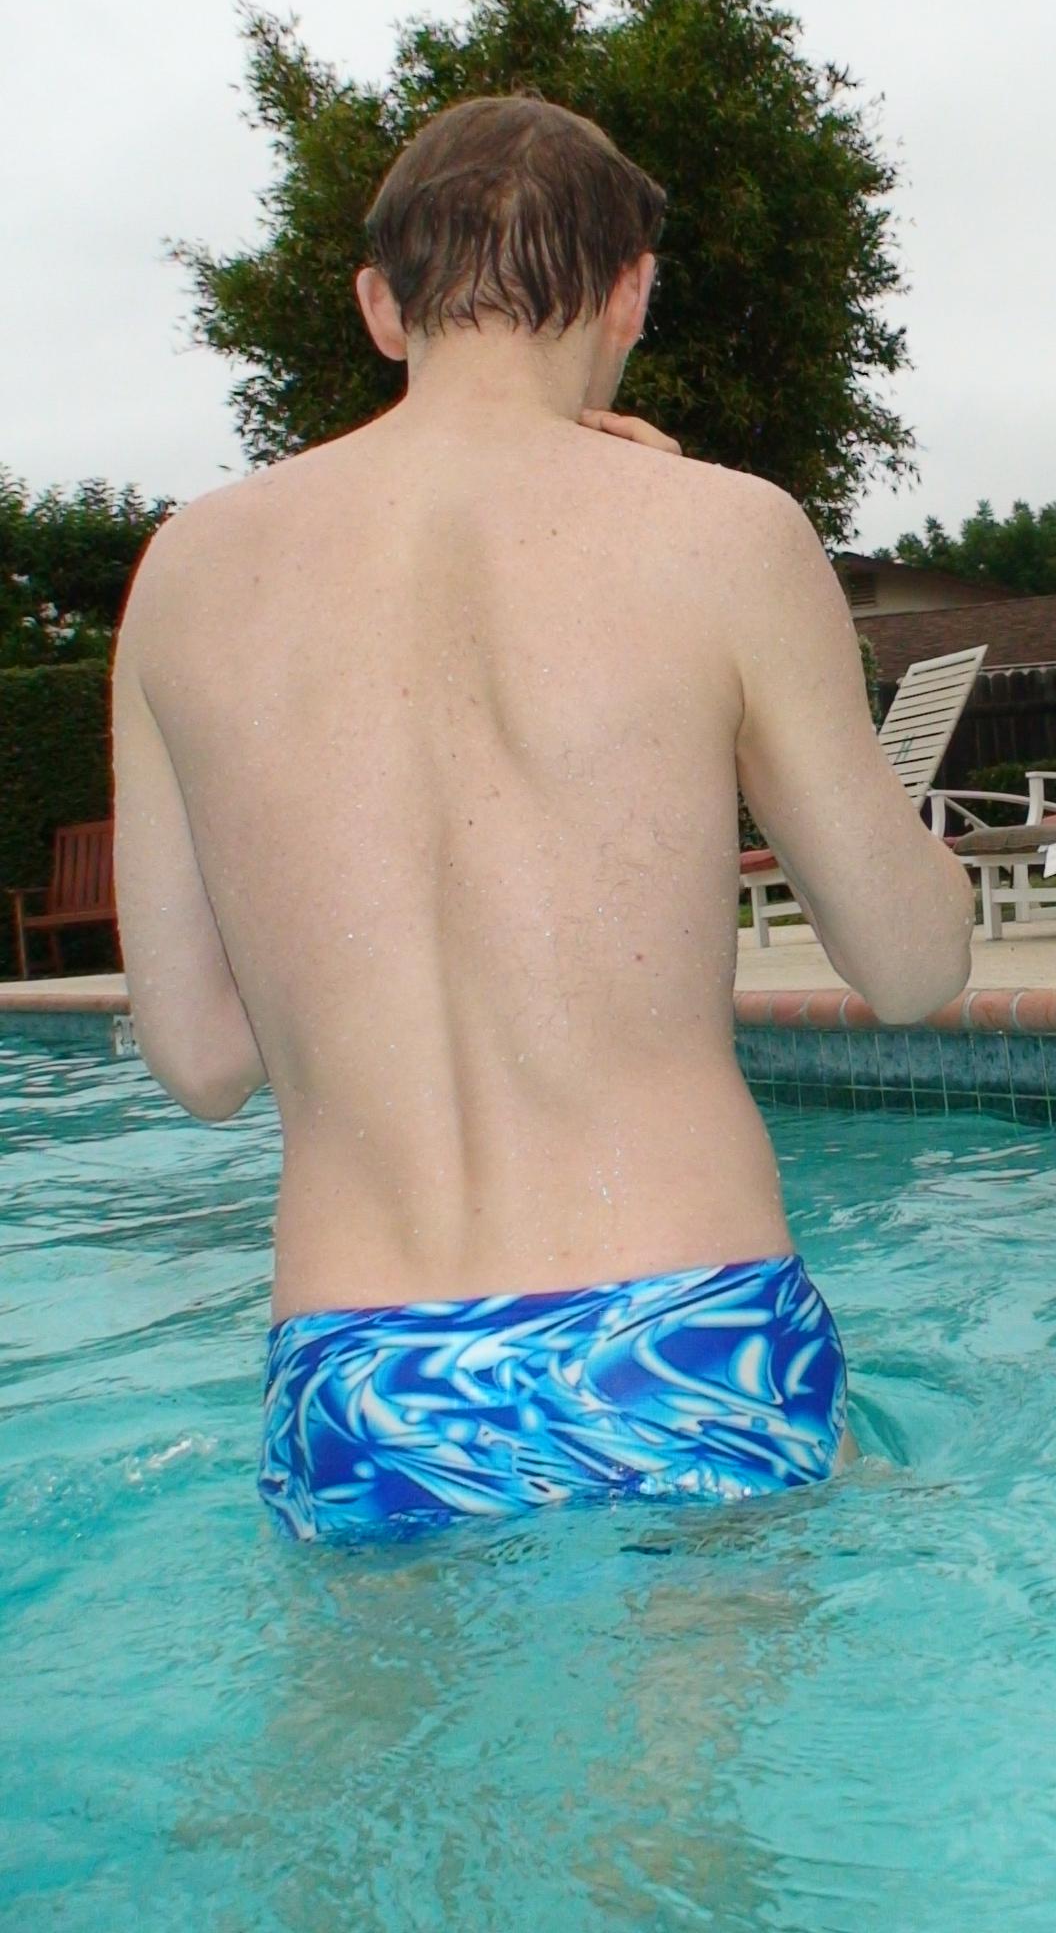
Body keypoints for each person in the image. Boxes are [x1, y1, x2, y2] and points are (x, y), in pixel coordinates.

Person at [111, 95, 976, 1542]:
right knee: (696, 1775)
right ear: (632, 289)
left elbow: (199, 1061)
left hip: (365, 1362)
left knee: (376, 1775)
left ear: (383, 307)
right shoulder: (722, 531)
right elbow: (909, 968)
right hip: (687, 1328)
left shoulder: (187, 575)